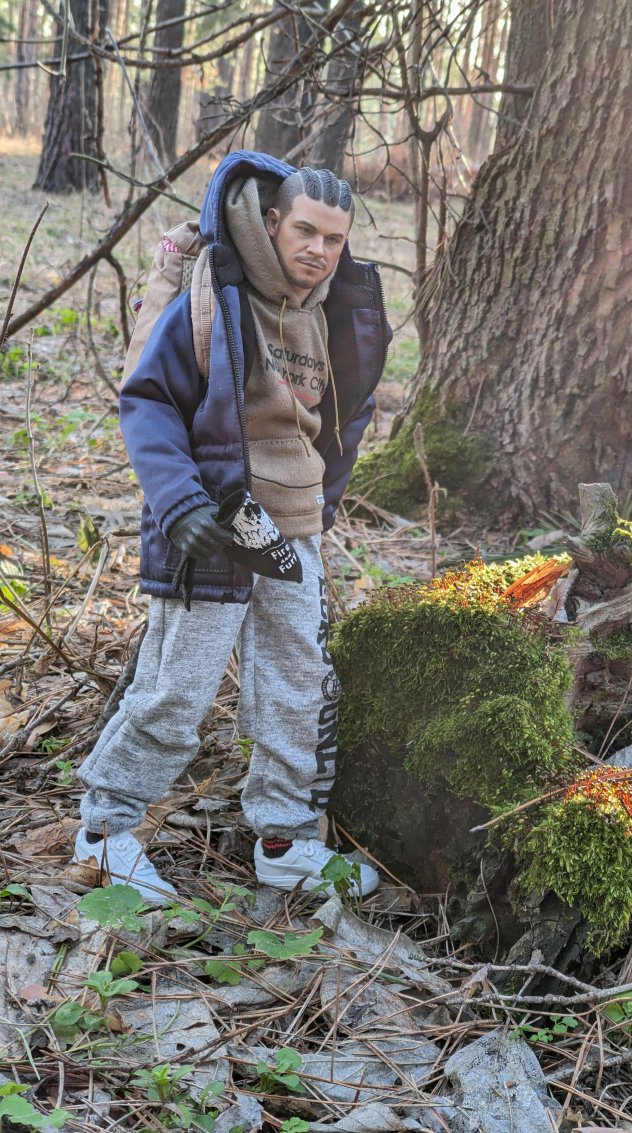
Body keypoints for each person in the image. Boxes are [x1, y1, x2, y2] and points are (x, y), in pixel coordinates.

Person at [72, 151, 391, 904]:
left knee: (297, 683)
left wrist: (325, 502)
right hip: (217, 521)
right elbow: (147, 398)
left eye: (334, 238)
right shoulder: (218, 293)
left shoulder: (334, 307)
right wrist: (179, 501)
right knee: (176, 685)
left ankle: (283, 837)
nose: (318, 250)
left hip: (296, 527)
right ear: (274, 223)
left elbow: (347, 417)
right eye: (306, 231)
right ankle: (104, 830)